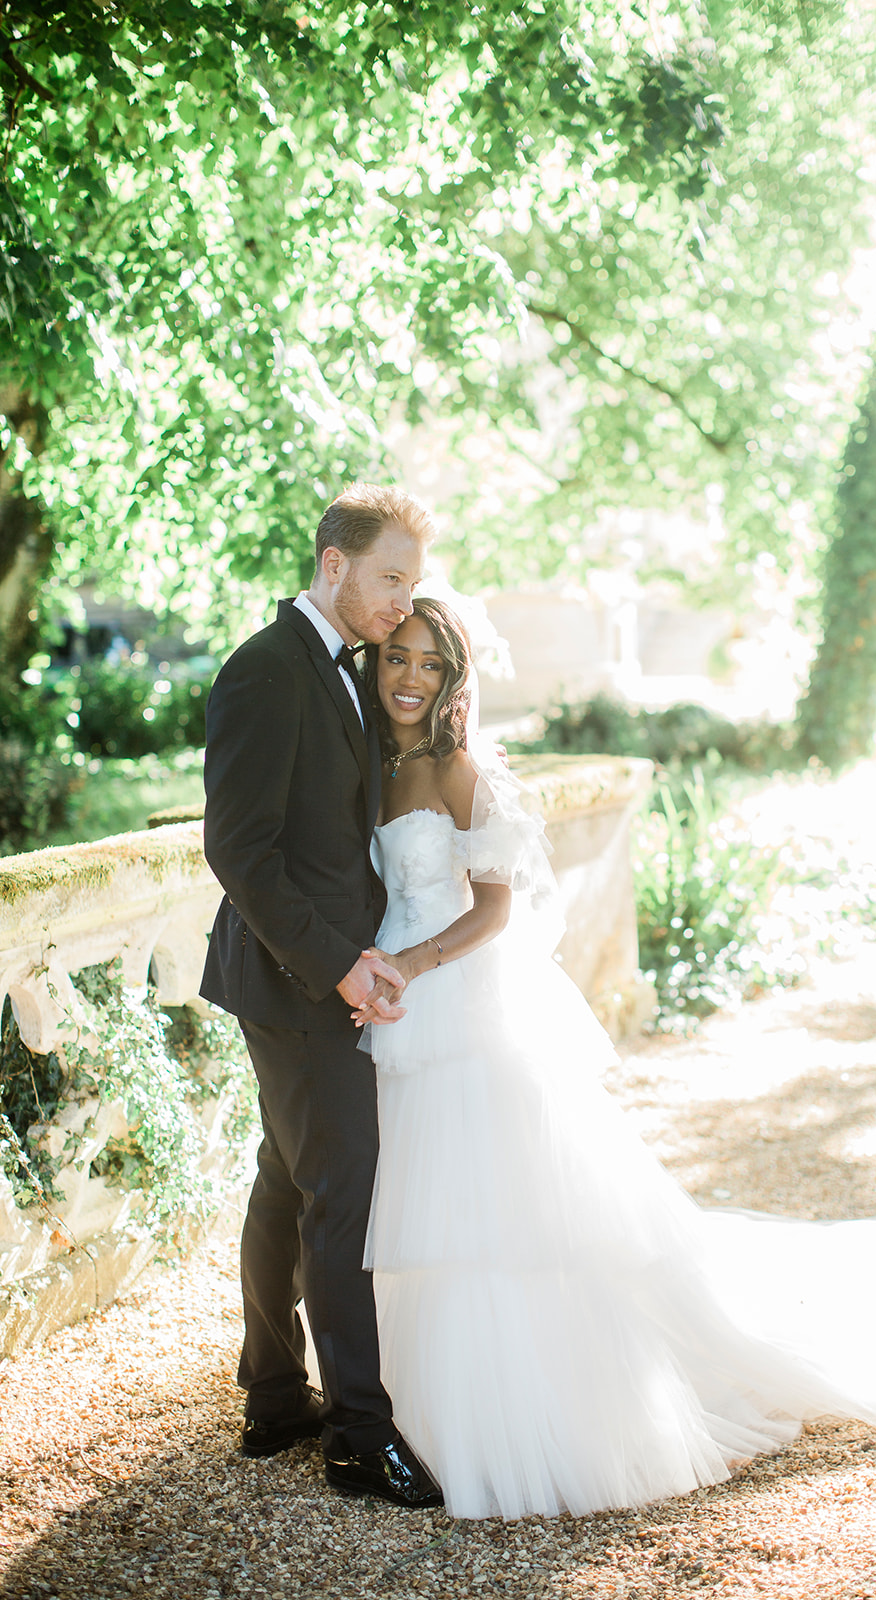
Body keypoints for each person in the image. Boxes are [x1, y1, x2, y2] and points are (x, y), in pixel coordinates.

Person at [353, 595, 876, 1521]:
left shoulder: (460, 769)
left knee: (498, 1206)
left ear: (453, 679)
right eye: (399, 658)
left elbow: (497, 908)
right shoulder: (376, 763)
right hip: (394, 1007)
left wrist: (416, 964)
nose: (411, 679)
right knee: (423, 1199)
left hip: (459, 997)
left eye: (432, 664)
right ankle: (405, 1403)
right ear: (376, 660)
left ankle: (522, 1419)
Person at [200, 483, 443, 1508]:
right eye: (389, 577)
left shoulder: (338, 666)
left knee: (284, 1179)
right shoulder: (265, 668)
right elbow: (239, 850)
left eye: (411, 584)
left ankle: (271, 1395)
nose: (400, 603)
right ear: (333, 562)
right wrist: (341, 964)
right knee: (341, 1189)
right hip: (295, 977)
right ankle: (356, 1430)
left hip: (316, 971)